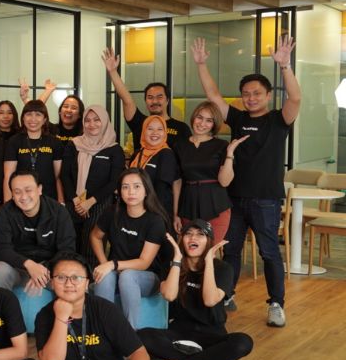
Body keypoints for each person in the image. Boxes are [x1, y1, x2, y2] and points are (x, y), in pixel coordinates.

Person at [193, 35, 300, 327]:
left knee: (269, 253)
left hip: (266, 200)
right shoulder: (239, 119)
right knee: (231, 250)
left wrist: (285, 66)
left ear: (268, 95)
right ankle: (227, 294)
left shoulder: (279, 120)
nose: (250, 98)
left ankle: (276, 303)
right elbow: (214, 96)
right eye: (246, 94)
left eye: (256, 93)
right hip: (235, 198)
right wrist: (201, 64)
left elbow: (295, 98)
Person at [26, 252, 158, 360]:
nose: (69, 283)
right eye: (61, 277)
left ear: (87, 282)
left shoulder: (105, 310)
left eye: (76, 278)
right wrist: (61, 318)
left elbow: (138, 352)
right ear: (52, 282)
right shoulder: (45, 315)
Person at [138, 221, 254, 360]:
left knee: (243, 342)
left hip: (212, 334)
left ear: (209, 241)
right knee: (142, 336)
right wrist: (177, 260)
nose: (193, 238)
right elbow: (169, 296)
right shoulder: (172, 265)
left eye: (200, 234)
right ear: (182, 239)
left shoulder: (223, 268)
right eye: (188, 234)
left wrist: (208, 263)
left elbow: (210, 300)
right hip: (179, 331)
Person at [90, 169, 170, 329]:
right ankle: (102, 331)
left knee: (128, 276)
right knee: (105, 276)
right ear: (119, 191)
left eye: (136, 186)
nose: (131, 192)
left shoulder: (155, 221)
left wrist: (111, 264)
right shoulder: (112, 211)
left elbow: (144, 262)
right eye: (125, 187)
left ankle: (129, 334)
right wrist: (104, 263)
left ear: (146, 190)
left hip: (146, 277)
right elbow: (95, 236)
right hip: (116, 271)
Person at [0, 171, 76, 291]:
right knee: (0, 270)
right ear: (12, 195)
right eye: (17, 192)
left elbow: (67, 249)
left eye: (28, 190)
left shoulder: (58, 212)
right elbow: (2, 249)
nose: (23, 197)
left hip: (50, 269)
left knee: (73, 274)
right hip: (18, 267)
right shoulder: (5, 213)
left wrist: (42, 270)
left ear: (39, 189)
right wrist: (29, 265)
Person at [60, 105, 124, 263]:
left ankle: (91, 278)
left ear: (105, 122)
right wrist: (76, 200)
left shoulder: (114, 149)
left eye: (97, 120)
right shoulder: (74, 144)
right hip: (74, 203)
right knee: (69, 248)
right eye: (87, 120)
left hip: (100, 204)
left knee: (91, 250)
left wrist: (90, 202)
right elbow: (65, 175)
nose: (91, 124)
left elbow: (115, 181)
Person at [173, 101, 245, 239]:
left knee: (211, 248)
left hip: (216, 204)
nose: (202, 123)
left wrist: (230, 153)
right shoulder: (179, 145)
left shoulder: (221, 145)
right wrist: (175, 214)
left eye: (209, 120)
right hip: (189, 203)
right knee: (190, 248)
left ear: (214, 124)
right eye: (199, 117)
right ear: (194, 117)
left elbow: (224, 182)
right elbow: (177, 182)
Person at [102, 47, 191, 148]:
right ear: (145, 101)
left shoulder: (181, 128)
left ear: (167, 100)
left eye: (159, 97)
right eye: (150, 97)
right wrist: (113, 72)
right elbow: (126, 100)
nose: (154, 101)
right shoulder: (140, 123)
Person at [2, 99, 65, 204]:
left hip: (49, 199)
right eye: (29, 114)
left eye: (38, 114)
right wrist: (7, 204)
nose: (33, 119)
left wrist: (61, 202)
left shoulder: (55, 142)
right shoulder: (14, 141)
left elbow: (58, 177)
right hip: (22, 199)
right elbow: (8, 176)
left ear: (45, 119)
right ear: (23, 118)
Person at [128, 115, 181, 224]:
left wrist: (149, 214)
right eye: (150, 128)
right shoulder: (137, 154)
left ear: (165, 132)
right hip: (135, 209)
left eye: (160, 129)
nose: (155, 133)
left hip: (156, 213)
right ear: (144, 131)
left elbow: (161, 190)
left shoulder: (166, 154)